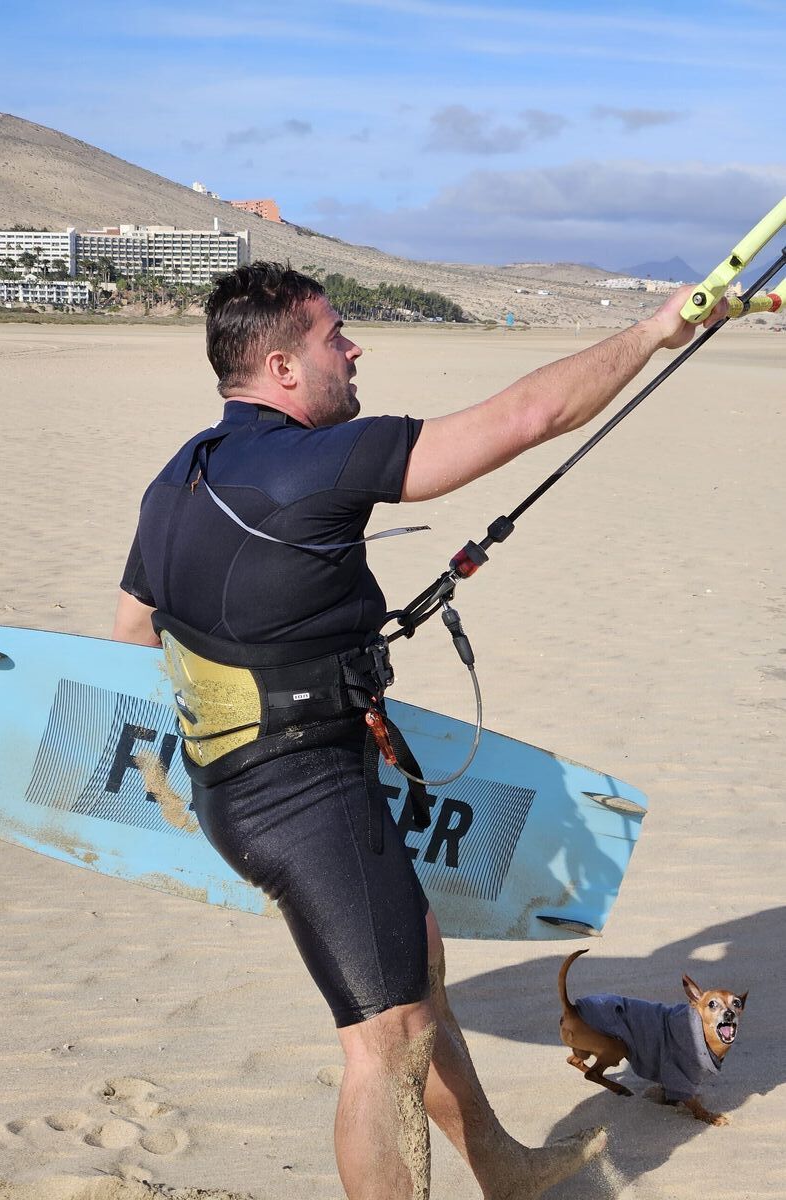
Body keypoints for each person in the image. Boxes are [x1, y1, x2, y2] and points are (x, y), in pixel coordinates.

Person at [113, 263, 725, 1200]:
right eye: (334, 336)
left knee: (419, 978)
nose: (354, 349)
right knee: (387, 1040)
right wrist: (652, 334)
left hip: (238, 784)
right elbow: (531, 417)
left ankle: (502, 1166)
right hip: (307, 796)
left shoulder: (178, 476)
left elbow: (131, 631)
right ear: (282, 367)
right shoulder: (321, 459)